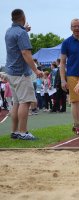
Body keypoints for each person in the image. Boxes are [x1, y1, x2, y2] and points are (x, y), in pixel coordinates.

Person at [5, 9, 43, 140]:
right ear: (23, 17)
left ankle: (14, 131)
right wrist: (36, 70)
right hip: (21, 73)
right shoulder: (21, 33)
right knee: (25, 102)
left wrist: (24, 30)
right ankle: (23, 132)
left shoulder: (9, 31)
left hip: (11, 72)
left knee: (16, 103)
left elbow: (16, 42)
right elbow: (26, 53)